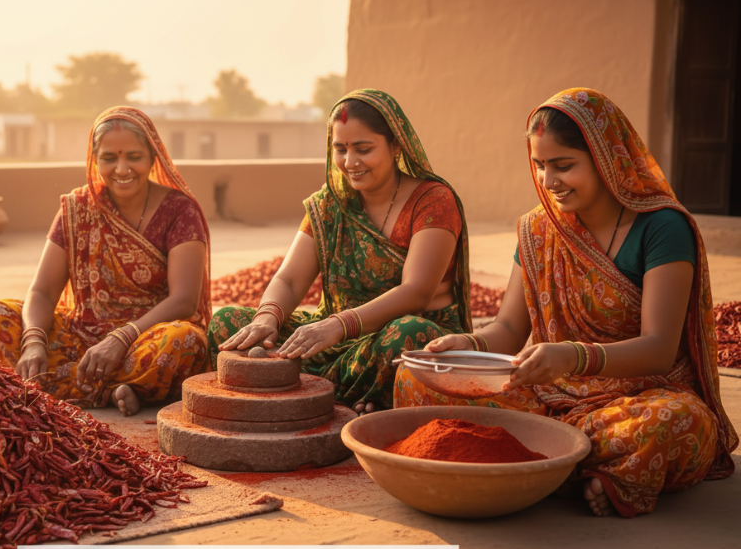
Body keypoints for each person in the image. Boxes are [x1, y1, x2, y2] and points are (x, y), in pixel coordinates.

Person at [394, 88, 738, 517]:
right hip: (549, 396)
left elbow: (659, 347)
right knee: (417, 382)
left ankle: (536, 461)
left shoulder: (662, 227)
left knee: (673, 423)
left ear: (606, 160)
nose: (548, 181)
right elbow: (508, 330)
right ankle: (575, 468)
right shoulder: (538, 230)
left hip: (639, 397)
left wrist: (574, 357)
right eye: (539, 165)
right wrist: (466, 345)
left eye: (563, 165)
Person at [208, 89, 472, 414]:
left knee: (410, 337)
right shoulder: (330, 203)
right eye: (340, 149)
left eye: (364, 149)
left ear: (396, 146)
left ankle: (298, 393)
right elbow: (290, 280)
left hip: (393, 337)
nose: (350, 162)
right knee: (228, 322)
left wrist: (339, 325)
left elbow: (416, 292)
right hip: (334, 341)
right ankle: (340, 396)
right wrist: (267, 318)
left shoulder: (432, 200)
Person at [0, 107, 211, 416]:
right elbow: (42, 291)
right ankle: (116, 390)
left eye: (134, 157)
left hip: (144, 338)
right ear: (95, 160)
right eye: (109, 158)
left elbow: (184, 301)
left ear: (153, 157)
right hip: (79, 336)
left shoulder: (179, 210)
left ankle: (57, 386)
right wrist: (33, 342)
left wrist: (121, 337)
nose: (122, 169)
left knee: (185, 340)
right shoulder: (77, 207)